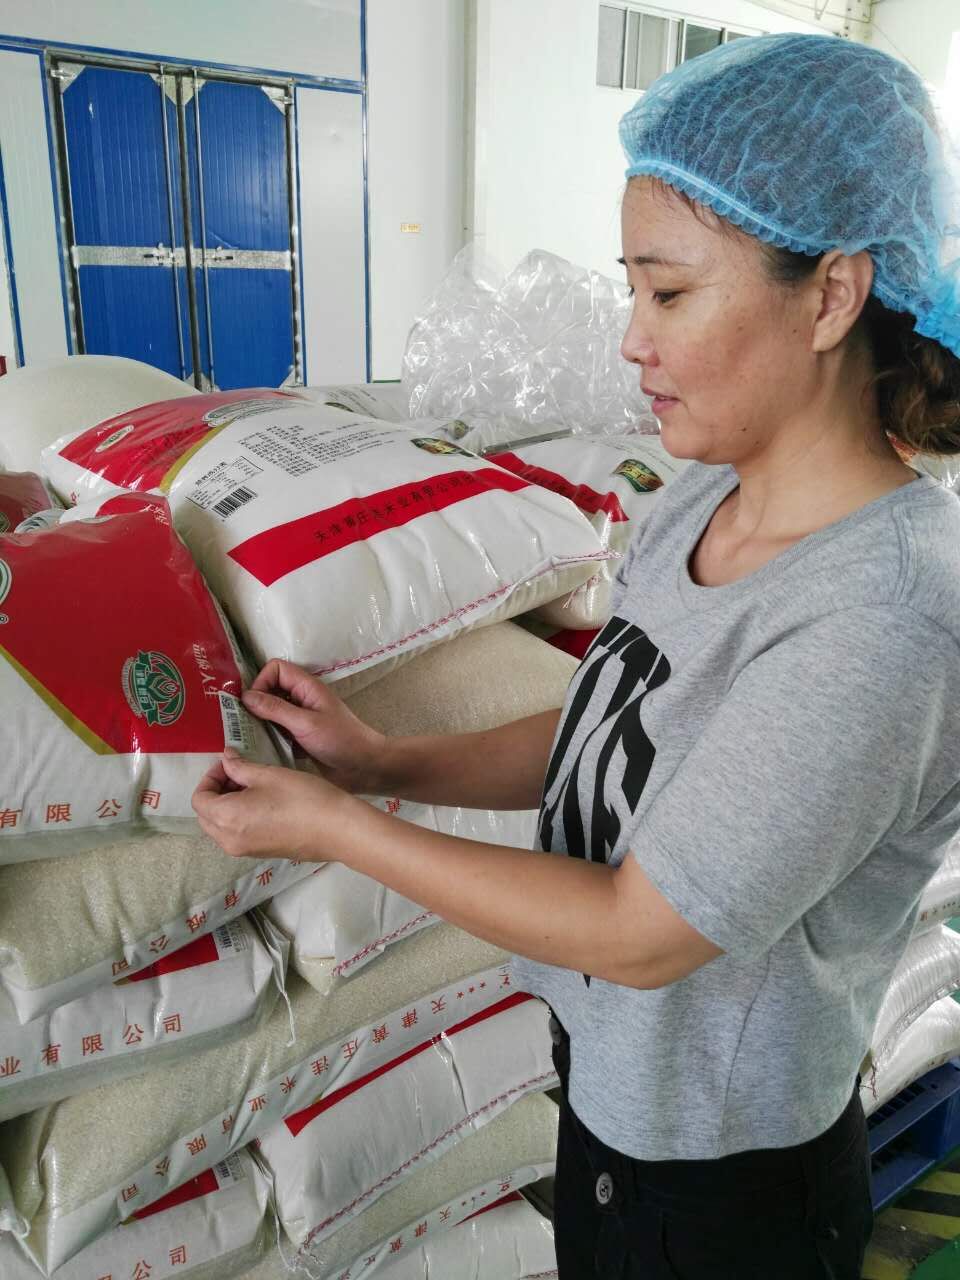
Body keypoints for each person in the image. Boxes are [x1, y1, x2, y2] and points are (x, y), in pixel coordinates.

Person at [192, 33, 960, 1279]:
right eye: (631, 291)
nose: (632, 341)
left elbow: (640, 930)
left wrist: (339, 828)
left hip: (726, 1192)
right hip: (611, 1105)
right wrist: (382, 758)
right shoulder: (704, 494)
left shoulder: (882, 614)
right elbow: (609, 721)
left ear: (831, 295)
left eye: (670, 294)